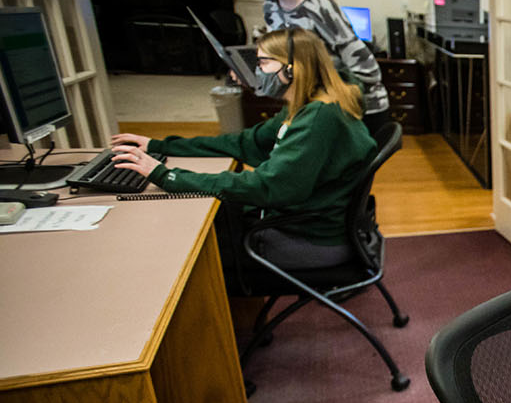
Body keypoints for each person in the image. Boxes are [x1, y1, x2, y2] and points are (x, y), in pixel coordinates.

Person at [110, 27, 377, 273]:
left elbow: (269, 186)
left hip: (314, 240)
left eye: (263, 63)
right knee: (216, 220)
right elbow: (244, 142)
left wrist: (168, 177)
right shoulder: (310, 103)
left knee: (195, 250)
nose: (257, 71)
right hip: (316, 227)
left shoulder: (319, 117)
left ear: (293, 70)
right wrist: (162, 146)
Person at [229, 0, 392, 135]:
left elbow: (367, 69)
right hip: (316, 105)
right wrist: (253, 70)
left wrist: (331, 97)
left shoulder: (318, 8)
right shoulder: (271, 6)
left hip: (357, 109)